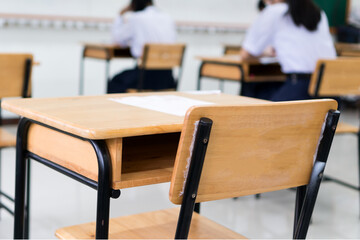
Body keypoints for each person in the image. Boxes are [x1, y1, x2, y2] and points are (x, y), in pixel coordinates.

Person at [241, 0, 336, 101]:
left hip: (301, 91)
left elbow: (245, 54)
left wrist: (265, 53)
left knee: (251, 89)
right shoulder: (319, 13)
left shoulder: (274, 11)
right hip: (331, 91)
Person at [108, 0, 177, 93]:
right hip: (168, 79)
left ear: (133, 4)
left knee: (116, 81)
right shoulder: (168, 18)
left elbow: (117, 39)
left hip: (145, 79)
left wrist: (120, 15)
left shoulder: (136, 19)